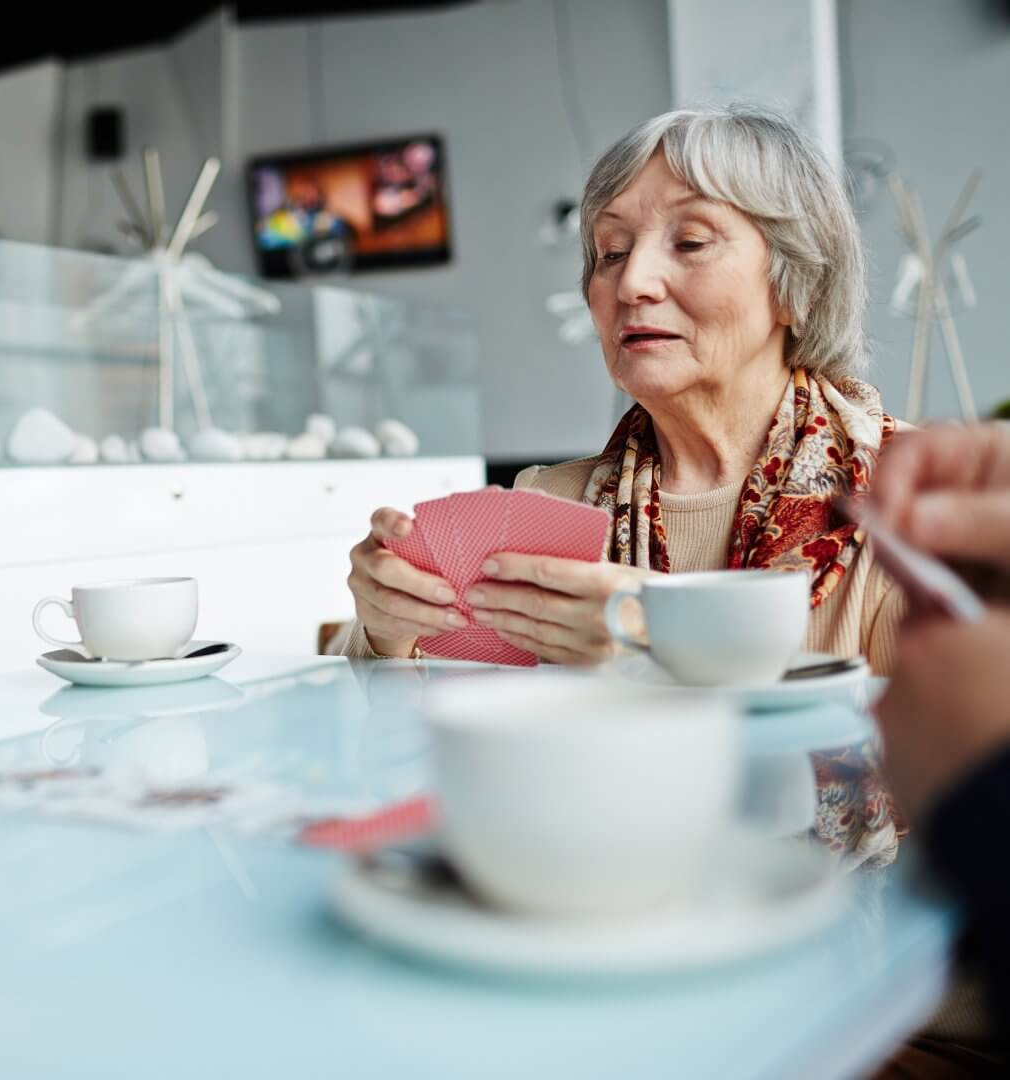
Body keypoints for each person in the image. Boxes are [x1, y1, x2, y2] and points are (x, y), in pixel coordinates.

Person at [333, 104, 906, 867]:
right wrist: (387, 633)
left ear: (795, 286)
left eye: (692, 241)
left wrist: (643, 657)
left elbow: (956, 787)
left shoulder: (913, 508)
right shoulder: (547, 505)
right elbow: (410, 762)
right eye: (609, 252)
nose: (633, 281)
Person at [871, 422, 1010, 1072]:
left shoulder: (902, 476)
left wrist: (989, 790)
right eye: (600, 304)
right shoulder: (557, 496)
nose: (635, 308)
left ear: (794, 312)